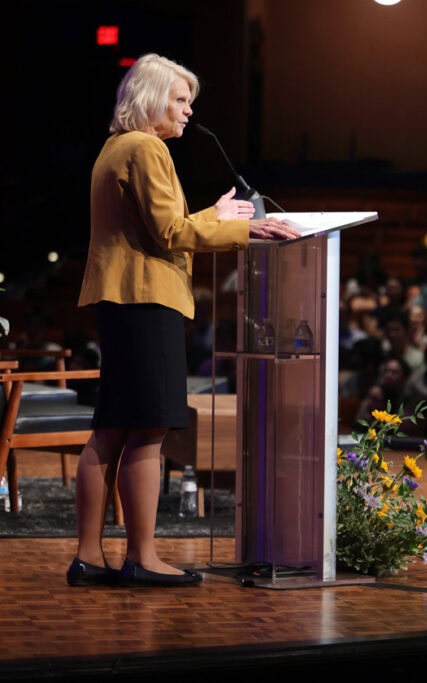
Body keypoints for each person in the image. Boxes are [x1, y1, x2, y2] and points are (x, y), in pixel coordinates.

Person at [70, 54, 301, 588]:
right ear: (152, 98)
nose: (189, 111)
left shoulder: (115, 148)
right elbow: (169, 235)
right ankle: (143, 557)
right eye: (180, 99)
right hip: (146, 301)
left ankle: (87, 556)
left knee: (111, 429)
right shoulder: (148, 148)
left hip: (122, 300)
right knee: (147, 431)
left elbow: (159, 228)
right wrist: (246, 231)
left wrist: (212, 218)